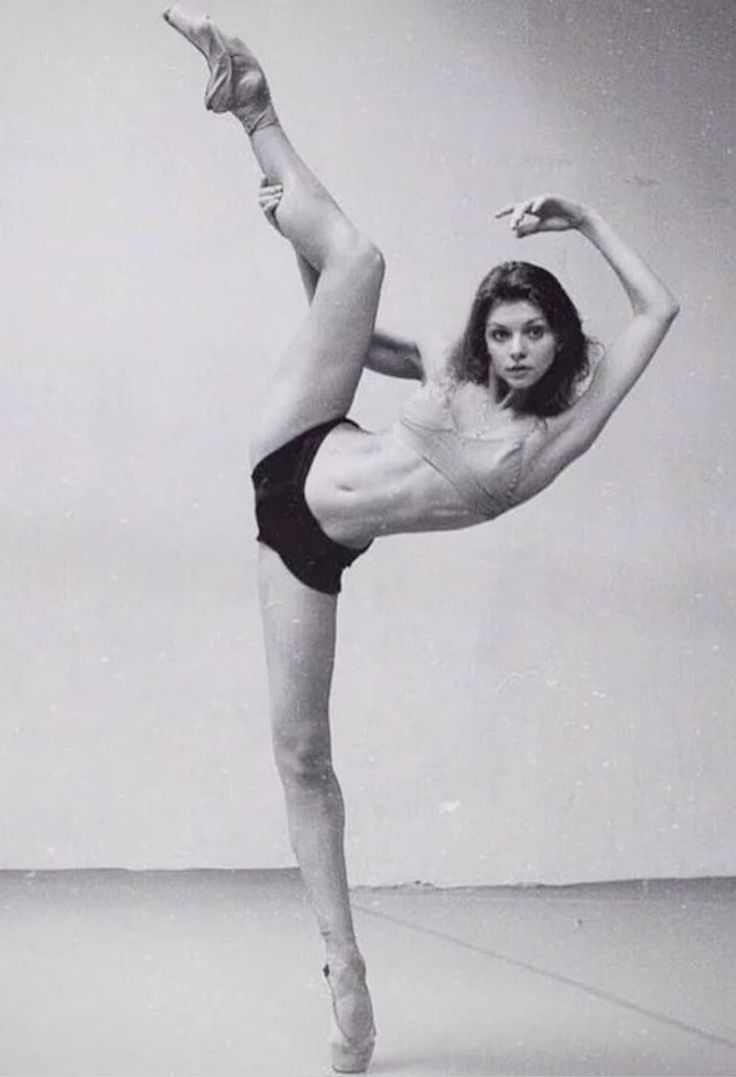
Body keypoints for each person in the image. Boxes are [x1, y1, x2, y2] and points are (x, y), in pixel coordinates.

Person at [163, 7, 679, 1072]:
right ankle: (251, 102)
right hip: (298, 443)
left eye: (534, 331)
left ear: (560, 339)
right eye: (501, 331)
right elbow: (350, 345)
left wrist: (583, 214)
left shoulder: (558, 434)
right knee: (356, 261)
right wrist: (303, 255)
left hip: (309, 544)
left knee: (303, 758)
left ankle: (343, 972)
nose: (517, 346)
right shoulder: (454, 373)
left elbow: (658, 308)